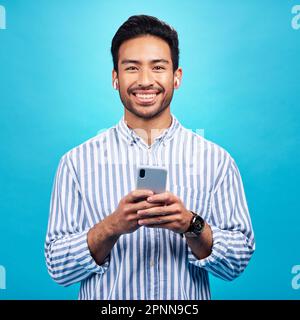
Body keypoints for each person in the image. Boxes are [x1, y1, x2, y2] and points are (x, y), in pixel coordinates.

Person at [45, 14, 255, 300]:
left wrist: (191, 225)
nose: (145, 81)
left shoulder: (216, 161)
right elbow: (57, 268)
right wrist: (111, 227)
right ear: (115, 78)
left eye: (158, 67)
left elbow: (237, 263)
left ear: (176, 77)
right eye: (132, 68)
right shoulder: (76, 163)